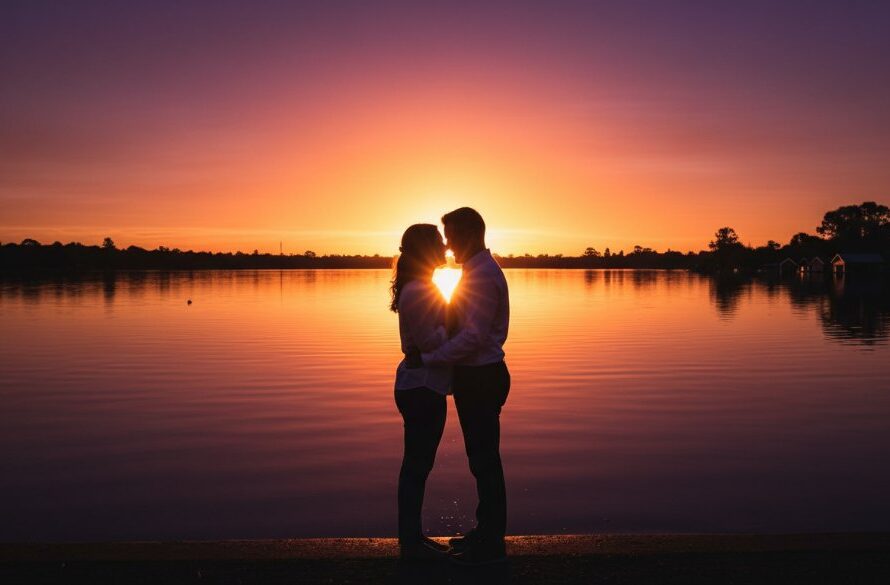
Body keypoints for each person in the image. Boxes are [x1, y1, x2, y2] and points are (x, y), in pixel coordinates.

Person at [414, 207, 511, 566]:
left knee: (485, 461)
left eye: (451, 236)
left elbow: (472, 336)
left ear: (469, 234)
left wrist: (430, 358)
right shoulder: (476, 271)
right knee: (481, 460)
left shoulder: (481, 276)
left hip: (482, 377)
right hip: (478, 375)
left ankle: (490, 543)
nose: (448, 245)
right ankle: (485, 532)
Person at [391, 223, 453, 561]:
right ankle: (411, 541)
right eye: (439, 243)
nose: (445, 248)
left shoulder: (420, 287)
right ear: (426, 250)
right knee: (416, 465)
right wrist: (458, 330)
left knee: (417, 465)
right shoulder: (419, 291)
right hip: (422, 388)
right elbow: (433, 341)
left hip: (420, 385)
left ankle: (412, 537)